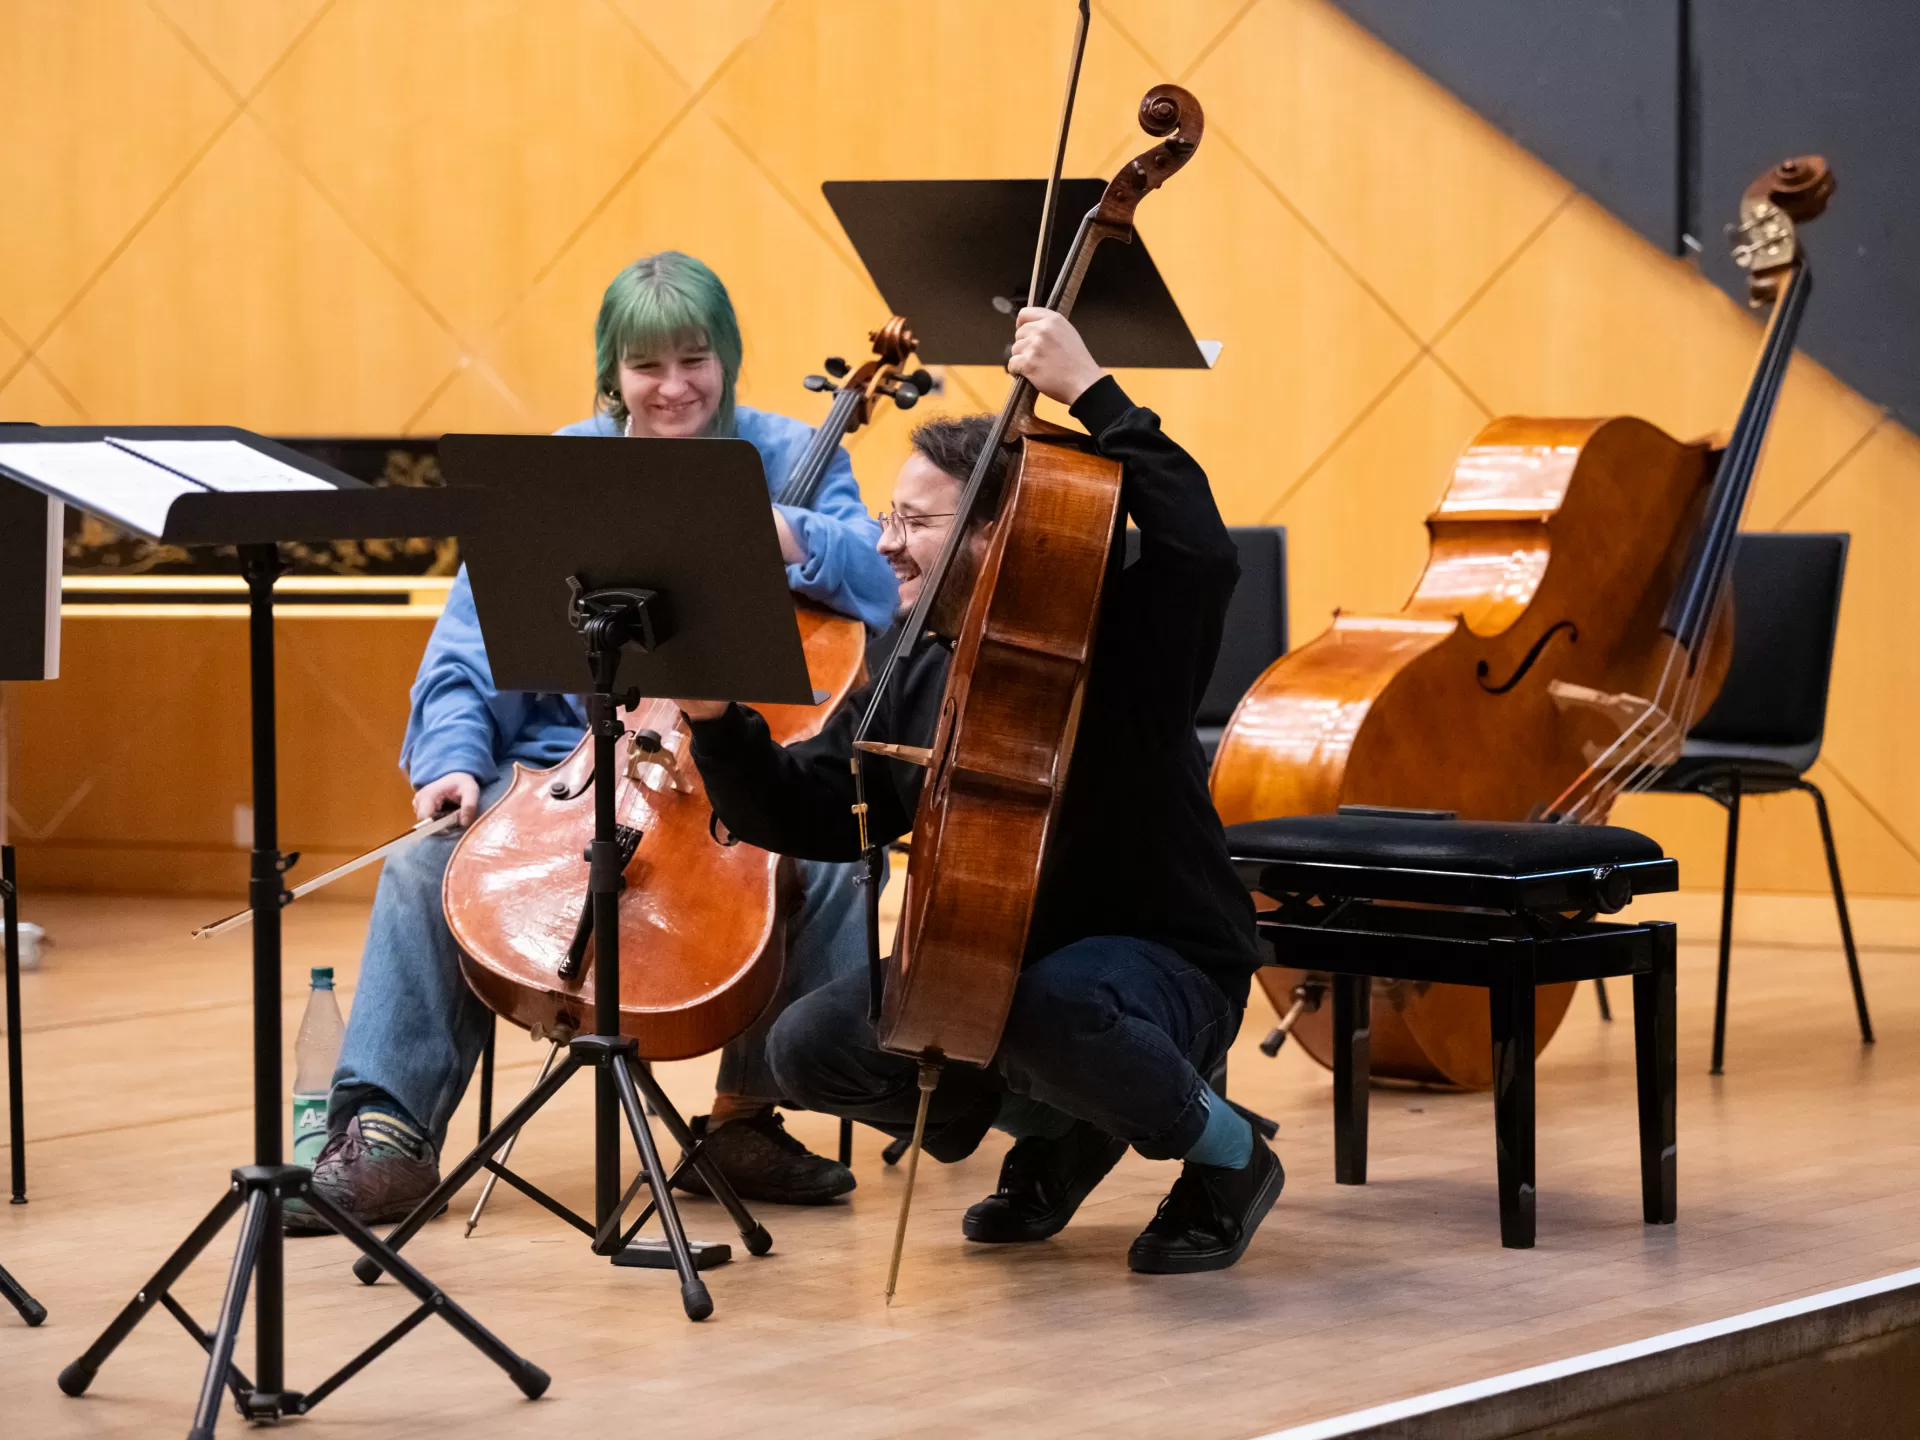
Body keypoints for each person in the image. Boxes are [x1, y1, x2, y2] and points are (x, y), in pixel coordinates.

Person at [287, 251, 898, 1233]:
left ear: (727, 358)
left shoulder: (790, 455)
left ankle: (750, 1117)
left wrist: (782, 533)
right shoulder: (559, 469)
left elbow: (885, 583)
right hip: (563, 770)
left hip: (731, 773)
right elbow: (463, 647)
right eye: (646, 366)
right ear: (610, 372)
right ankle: (389, 1134)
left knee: (827, 865)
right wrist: (449, 758)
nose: (673, 387)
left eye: (694, 359)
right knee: (423, 866)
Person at [676, 308, 1284, 1275]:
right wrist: (719, 723)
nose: (882, 546)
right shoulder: (911, 662)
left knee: (1054, 1007)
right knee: (809, 1046)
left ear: (998, 530)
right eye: (886, 517)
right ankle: (1071, 1127)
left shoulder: (1122, 638)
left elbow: (1203, 553)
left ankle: (1229, 1156)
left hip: (1168, 966)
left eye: (915, 522)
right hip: (990, 972)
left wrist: (1092, 391)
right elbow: (820, 808)